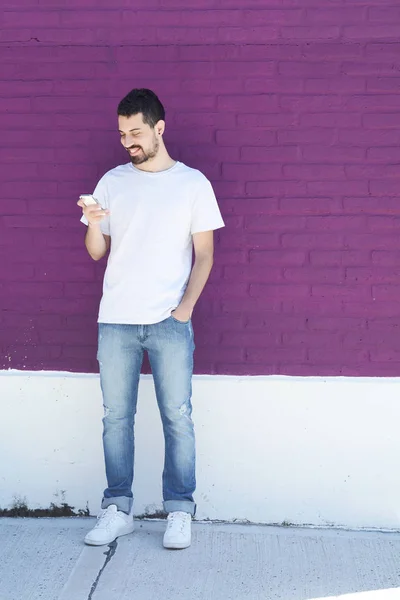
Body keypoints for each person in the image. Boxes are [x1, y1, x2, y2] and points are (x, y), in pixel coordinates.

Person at [77, 88, 224, 550]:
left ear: (160, 128)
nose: (128, 141)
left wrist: (183, 311)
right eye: (122, 134)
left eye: (136, 132)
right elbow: (96, 252)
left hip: (168, 322)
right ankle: (117, 508)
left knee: (177, 417)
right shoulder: (112, 181)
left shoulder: (193, 184)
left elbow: (205, 256)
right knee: (116, 418)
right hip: (116, 320)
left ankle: (179, 510)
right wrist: (95, 221)